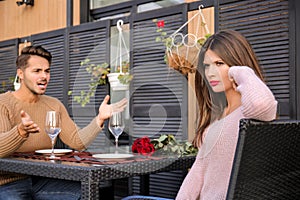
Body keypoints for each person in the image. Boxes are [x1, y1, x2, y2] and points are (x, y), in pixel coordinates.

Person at [0, 45, 128, 200]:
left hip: (44, 179)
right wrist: (20, 131)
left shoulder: (54, 105)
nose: (44, 76)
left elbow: (77, 141)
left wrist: (99, 119)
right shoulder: (3, 103)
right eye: (37, 71)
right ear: (20, 74)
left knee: (89, 193)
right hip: (8, 182)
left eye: (47, 71)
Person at [175, 30, 277, 199]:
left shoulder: (248, 112)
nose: (210, 73)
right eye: (207, 66)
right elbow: (198, 173)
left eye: (219, 63)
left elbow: (261, 104)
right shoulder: (218, 115)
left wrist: (242, 72)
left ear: (236, 64)